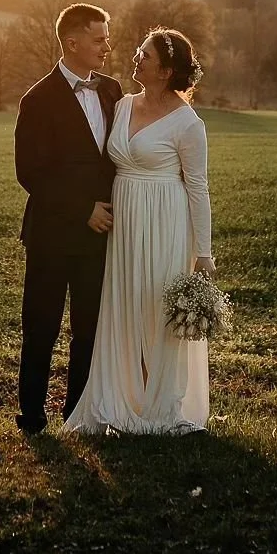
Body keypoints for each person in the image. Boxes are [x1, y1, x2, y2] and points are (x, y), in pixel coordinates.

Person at [63, 27, 214, 435]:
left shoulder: (188, 124)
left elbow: (198, 187)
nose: (135, 59)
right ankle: (121, 401)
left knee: (158, 311)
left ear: (165, 71)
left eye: (144, 56)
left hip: (166, 221)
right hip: (125, 223)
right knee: (126, 307)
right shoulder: (124, 104)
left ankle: (165, 407)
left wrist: (204, 252)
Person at [13, 3, 123, 434]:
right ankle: (32, 415)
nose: (107, 47)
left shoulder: (113, 91)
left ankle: (78, 412)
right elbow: (31, 173)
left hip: (100, 236)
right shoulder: (38, 99)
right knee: (41, 325)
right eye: (99, 39)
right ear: (72, 42)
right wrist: (83, 209)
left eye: (107, 38)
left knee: (90, 327)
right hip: (52, 234)